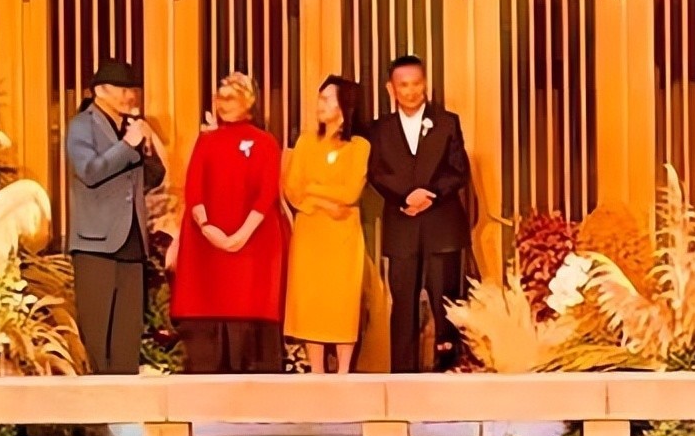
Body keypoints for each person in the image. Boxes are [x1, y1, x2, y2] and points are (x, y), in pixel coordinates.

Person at [170, 72, 287, 373]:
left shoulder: (265, 142)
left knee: (248, 302)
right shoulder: (206, 141)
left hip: (253, 241)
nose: (222, 104)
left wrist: (241, 235)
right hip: (206, 244)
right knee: (206, 305)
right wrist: (207, 228)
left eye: (230, 97)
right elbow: (194, 188)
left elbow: (267, 193)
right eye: (219, 97)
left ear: (249, 101)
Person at [367, 55, 471, 373]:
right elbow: (376, 173)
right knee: (403, 305)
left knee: (446, 303)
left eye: (417, 83)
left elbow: (459, 170)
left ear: (425, 84)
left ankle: (449, 369)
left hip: (442, 224)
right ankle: (402, 375)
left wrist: (430, 195)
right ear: (391, 88)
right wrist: (405, 197)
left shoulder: (447, 122)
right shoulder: (379, 129)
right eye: (404, 85)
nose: (411, 91)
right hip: (402, 224)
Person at [66, 58, 165, 374]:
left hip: (132, 240)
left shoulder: (130, 126)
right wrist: (126, 145)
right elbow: (90, 171)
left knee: (127, 337)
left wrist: (146, 144)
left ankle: (125, 399)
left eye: (131, 89)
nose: (129, 96)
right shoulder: (82, 125)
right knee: (97, 337)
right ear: (100, 91)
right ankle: (97, 403)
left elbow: (153, 177)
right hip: (96, 242)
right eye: (121, 89)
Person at [284, 76, 370, 374]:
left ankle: (344, 371)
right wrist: (320, 200)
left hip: (343, 234)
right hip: (310, 232)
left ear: (344, 104)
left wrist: (314, 189)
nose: (320, 104)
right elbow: (293, 188)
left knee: (342, 302)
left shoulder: (359, 146)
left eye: (327, 99)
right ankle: (317, 371)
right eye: (319, 98)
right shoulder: (306, 142)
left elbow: (350, 192)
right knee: (312, 301)